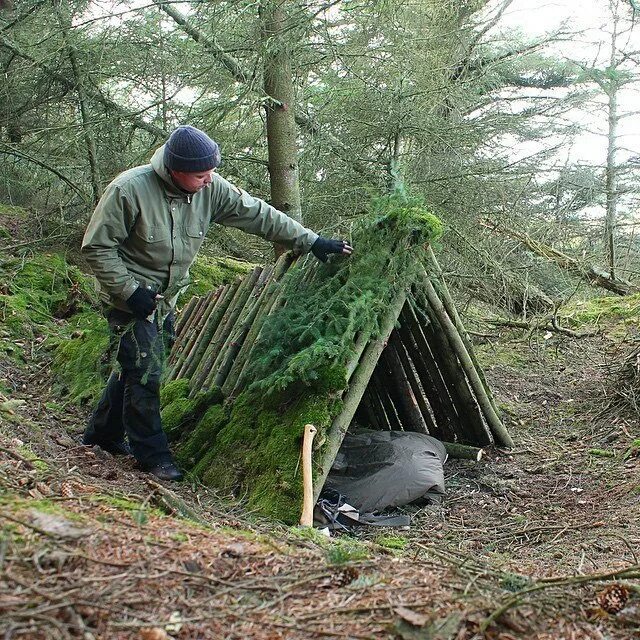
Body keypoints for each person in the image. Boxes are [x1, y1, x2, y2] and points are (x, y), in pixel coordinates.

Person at [81, 125, 353, 481]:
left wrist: (311, 241)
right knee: (147, 372)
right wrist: (130, 291)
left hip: (166, 299)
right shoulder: (129, 190)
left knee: (137, 365)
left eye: (211, 172)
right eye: (200, 175)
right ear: (174, 170)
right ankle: (153, 455)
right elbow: (97, 248)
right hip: (129, 298)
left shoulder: (210, 187)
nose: (209, 180)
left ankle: (101, 434)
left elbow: (257, 214)